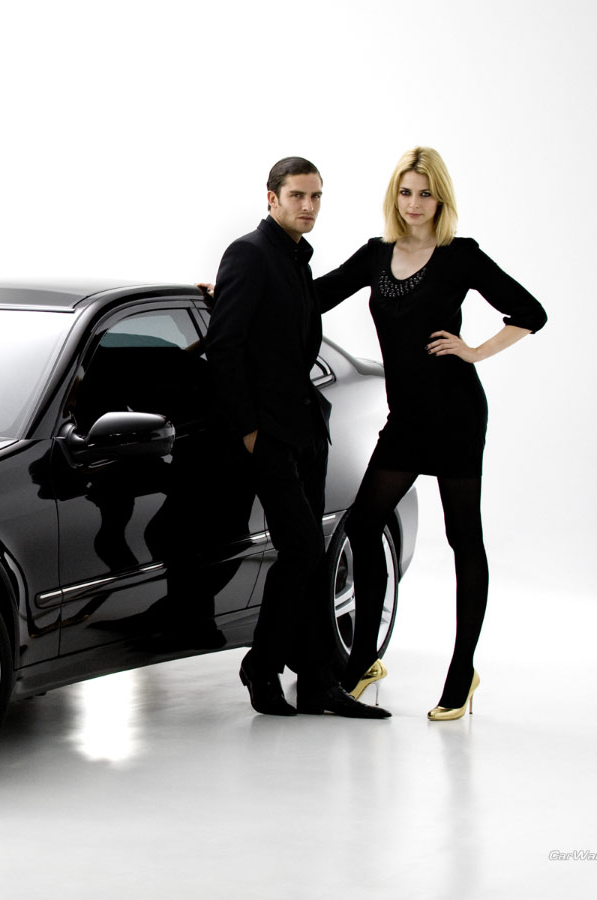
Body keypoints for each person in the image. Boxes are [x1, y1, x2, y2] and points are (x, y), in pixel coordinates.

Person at [316, 147, 547, 720]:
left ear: (440, 199)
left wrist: (474, 351)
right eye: (405, 192)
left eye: (425, 193)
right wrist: (235, 289)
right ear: (393, 195)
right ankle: (364, 658)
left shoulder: (459, 256)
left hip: (456, 414)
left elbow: (530, 312)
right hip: (406, 419)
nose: (414, 203)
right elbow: (312, 296)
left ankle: (462, 671)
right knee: (363, 525)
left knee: (463, 539)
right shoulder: (375, 255)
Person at [205, 157, 389, 719]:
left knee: (312, 554)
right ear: (272, 198)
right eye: (297, 196)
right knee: (303, 549)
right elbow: (224, 348)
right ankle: (261, 666)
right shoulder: (249, 253)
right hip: (270, 435)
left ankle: (317, 683)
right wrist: (249, 432)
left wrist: (378, 257)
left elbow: (303, 309)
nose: (308, 206)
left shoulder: (294, 258)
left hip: (307, 428)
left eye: (316, 197)